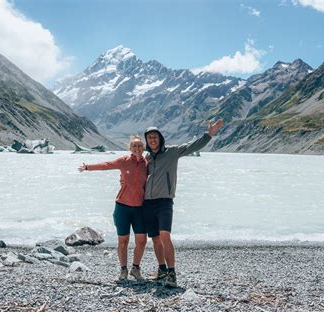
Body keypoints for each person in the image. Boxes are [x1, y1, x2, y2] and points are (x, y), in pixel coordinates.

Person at [143, 119, 224, 287]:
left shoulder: (172, 152)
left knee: (165, 236)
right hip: (148, 203)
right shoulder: (147, 158)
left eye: (155, 136)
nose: (152, 139)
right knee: (155, 239)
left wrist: (208, 134)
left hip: (165, 201)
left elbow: (191, 146)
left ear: (160, 138)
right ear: (147, 140)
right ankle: (161, 270)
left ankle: (172, 273)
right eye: (149, 137)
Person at [78, 136, 148, 281]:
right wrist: (87, 167)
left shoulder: (147, 163)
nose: (137, 148)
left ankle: (135, 268)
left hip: (140, 208)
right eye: (134, 146)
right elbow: (106, 165)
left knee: (141, 241)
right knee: (123, 241)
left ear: (144, 148)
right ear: (130, 148)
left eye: (140, 146)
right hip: (122, 207)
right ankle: (123, 270)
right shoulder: (123, 161)